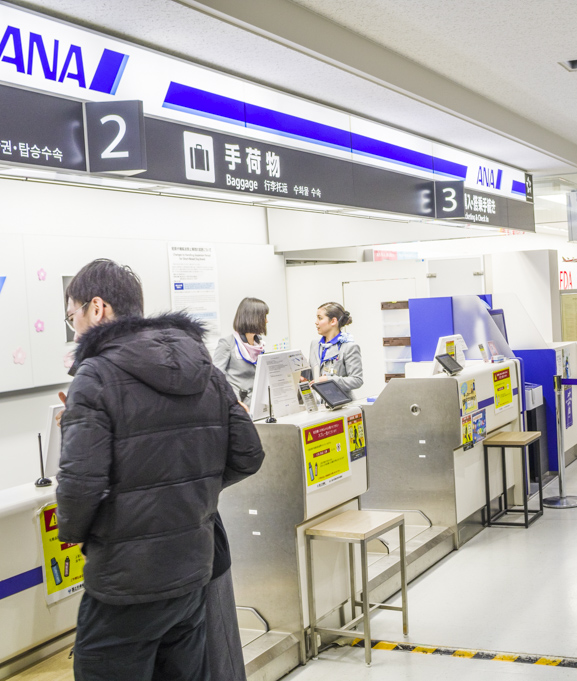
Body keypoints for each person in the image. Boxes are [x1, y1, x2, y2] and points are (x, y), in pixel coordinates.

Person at [57, 259, 265, 681]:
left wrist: (79, 533)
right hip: (191, 573)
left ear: (97, 309)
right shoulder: (203, 366)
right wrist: (196, 495)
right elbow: (248, 453)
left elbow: (79, 489)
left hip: (123, 581)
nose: (74, 328)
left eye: (72, 316)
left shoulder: (94, 375)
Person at [214, 297, 269, 404]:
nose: (266, 320)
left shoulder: (259, 344)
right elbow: (216, 378)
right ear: (253, 317)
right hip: (237, 405)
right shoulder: (227, 343)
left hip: (258, 404)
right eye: (264, 316)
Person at [309, 302, 364, 401]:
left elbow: (357, 380)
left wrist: (329, 380)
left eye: (320, 318)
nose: (316, 322)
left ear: (333, 321)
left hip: (341, 404)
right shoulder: (315, 345)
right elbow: (312, 374)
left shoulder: (349, 347)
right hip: (318, 405)